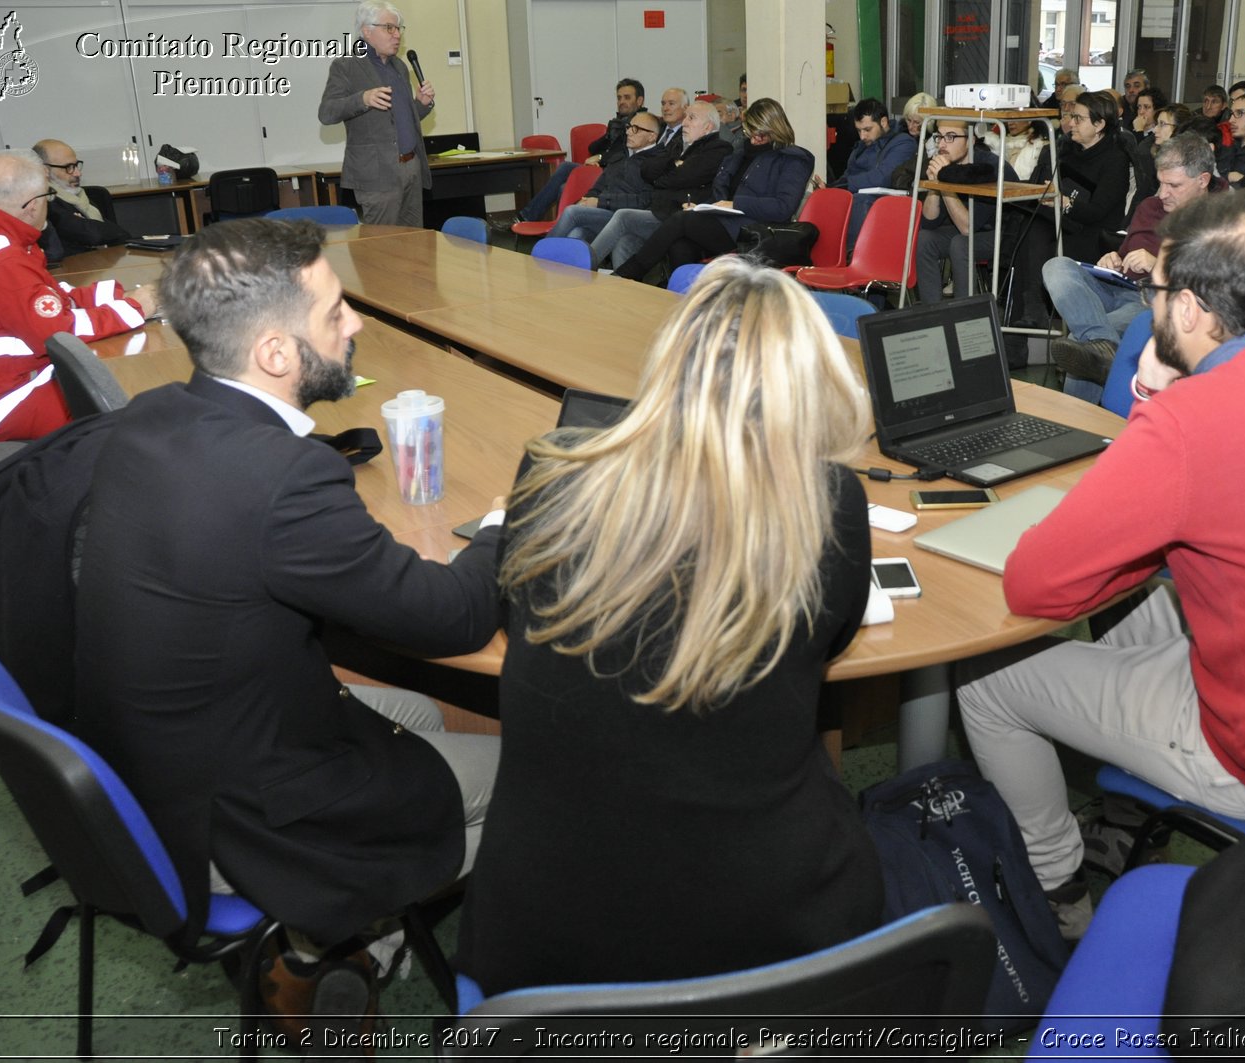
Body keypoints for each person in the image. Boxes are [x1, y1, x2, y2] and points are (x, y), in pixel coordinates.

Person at [955, 192, 1245, 940]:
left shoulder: (1187, 423)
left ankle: (1058, 891)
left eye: (1156, 293)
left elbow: (1036, 585)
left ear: (1187, 310)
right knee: (1139, 602)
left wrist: (1153, 407)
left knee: (985, 678)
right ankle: (1124, 815)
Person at [73, 218, 505, 1016]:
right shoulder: (286, 479)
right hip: (243, 809)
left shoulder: (150, 415)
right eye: (336, 312)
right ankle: (333, 934)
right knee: (535, 774)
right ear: (276, 352)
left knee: (411, 707)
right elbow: (455, 616)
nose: (356, 324)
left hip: (159, 761)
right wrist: (505, 529)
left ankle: (353, 942)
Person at [456, 257, 882, 994]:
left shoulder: (548, 473)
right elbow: (828, 642)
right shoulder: (830, 503)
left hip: (542, 939)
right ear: (807, 383)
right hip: (765, 935)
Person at [0, 150, 154, 443]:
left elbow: (53, 298)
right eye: (48, 196)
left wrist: (123, 295)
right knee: (129, 412)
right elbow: (57, 332)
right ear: (32, 205)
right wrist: (136, 308)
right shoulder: (2, 258)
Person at [1045, 133, 1221, 399]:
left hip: (1156, 299)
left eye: (1173, 185)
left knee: (1078, 343)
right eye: (1160, 183)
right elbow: (1127, 249)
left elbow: (1211, 283)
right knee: (1056, 266)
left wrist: (1158, 262)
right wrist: (1113, 257)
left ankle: (1083, 420)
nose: (1162, 194)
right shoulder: (1149, 207)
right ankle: (1103, 346)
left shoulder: (1223, 219)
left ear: (1202, 180)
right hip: (1118, 285)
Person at [614, 98, 813, 284]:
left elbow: (783, 208)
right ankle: (683, 298)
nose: (753, 139)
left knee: (682, 220)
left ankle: (627, 275)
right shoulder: (740, 154)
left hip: (755, 232)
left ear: (774, 130)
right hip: (725, 222)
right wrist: (703, 206)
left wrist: (735, 204)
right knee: (680, 244)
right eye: (750, 132)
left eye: (759, 133)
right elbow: (721, 193)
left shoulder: (793, 160)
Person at [1005, 92, 1132, 322]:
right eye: (1072, 116)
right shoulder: (1068, 152)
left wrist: (1064, 203)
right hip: (1063, 222)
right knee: (1028, 228)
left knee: (1036, 236)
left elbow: (1098, 212)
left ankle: (1031, 311)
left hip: (1094, 233)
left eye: (1079, 118)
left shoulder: (1116, 160)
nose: (1071, 123)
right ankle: (1027, 312)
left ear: (1100, 124)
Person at [317, 2, 432, 227]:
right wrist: (362, 99)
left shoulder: (398, 67)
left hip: (410, 167)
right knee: (382, 247)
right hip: (376, 175)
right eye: (389, 28)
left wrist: (421, 104)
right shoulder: (346, 66)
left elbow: (400, 122)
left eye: (399, 29)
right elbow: (326, 113)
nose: (397, 35)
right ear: (367, 31)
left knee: (414, 245)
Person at [590, 102, 733, 270]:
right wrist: (675, 163)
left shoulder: (718, 149)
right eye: (686, 116)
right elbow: (647, 170)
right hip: (658, 209)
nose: (685, 122)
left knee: (623, 217)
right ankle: (626, 291)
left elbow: (681, 178)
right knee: (625, 241)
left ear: (708, 127)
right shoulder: (679, 144)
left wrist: (665, 174)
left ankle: (585, 266)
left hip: (677, 215)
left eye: (691, 118)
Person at [513, 77, 647, 225]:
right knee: (564, 186)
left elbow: (623, 154)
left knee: (565, 168)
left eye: (627, 97)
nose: (622, 102)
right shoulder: (620, 121)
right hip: (602, 168)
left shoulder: (640, 125)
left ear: (639, 101)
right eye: (619, 98)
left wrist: (601, 157)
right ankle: (552, 223)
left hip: (614, 173)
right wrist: (609, 134)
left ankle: (529, 218)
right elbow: (592, 148)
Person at [912, 119, 1017, 303]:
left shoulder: (988, 168)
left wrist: (944, 183)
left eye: (951, 137)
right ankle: (931, 314)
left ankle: (966, 318)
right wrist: (934, 186)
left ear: (971, 140)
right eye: (939, 137)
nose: (942, 144)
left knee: (961, 243)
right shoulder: (949, 164)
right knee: (925, 239)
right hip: (973, 229)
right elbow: (929, 222)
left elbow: (967, 228)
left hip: (1007, 232)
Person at [544, 111, 663, 244]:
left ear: (652, 137)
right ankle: (564, 263)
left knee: (572, 212)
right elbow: (598, 186)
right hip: (602, 212)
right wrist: (586, 200)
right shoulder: (621, 156)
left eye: (636, 129)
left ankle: (539, 257)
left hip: (624, 217)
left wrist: (600, 202)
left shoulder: (657, 162)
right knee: (577, 234)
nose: (629, 132)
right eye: (629, 127)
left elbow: (643, 201)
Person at [813, 97, 916, 248]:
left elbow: (882, 178)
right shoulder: (862, 146)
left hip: (885, 202)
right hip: (857, 195)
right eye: (859, 130)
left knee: (859, 201)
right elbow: (847, 176)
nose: (862, 136)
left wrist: (841, 187)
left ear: (884, 122)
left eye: (867, 130)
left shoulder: (903, 143)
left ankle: (850, 257)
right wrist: (829, 188)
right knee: (818, 200)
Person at [31, 139, 133, 257]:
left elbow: (114, 234)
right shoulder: (45, 201)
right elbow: (93, 234)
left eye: (76, 165)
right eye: (68, 167)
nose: (78, 173)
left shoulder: (79, 196)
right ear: (44, 171)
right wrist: (116, 232)